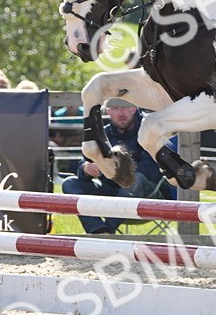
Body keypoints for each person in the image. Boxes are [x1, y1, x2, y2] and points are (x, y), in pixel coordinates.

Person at [59, 100, 176, 234]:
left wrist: (110, 168)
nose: (121, 113)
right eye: (115, 108)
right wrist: (86, 168)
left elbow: (151, 169)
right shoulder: (102, 133)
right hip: (112, 194)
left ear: (134, 107)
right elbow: (84, 163)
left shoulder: (149, 129)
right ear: (107, 111)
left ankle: (107, 232)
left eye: (125, 107)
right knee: (70, 183)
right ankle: (99, 231)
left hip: (149, 196)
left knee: (135, 179)